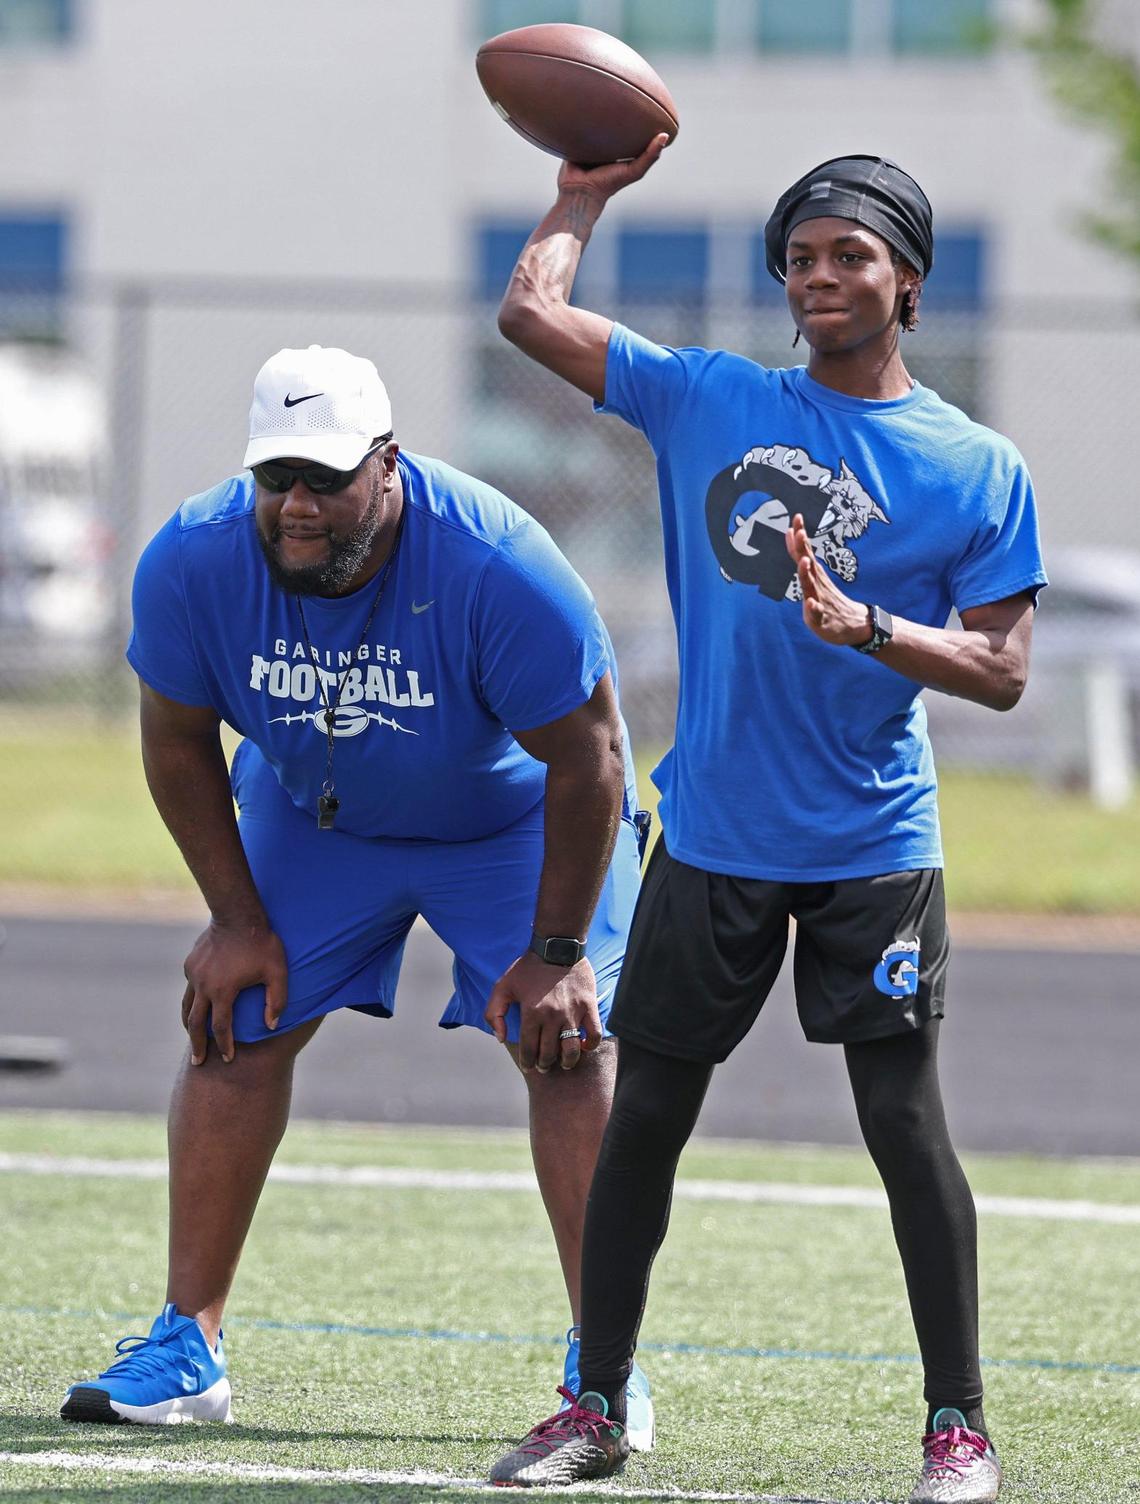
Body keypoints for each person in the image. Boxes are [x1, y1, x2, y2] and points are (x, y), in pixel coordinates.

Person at [487, 149, 1046, 1504]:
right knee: (647, 1120)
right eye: (799, 256)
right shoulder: (710, 399)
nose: (820, 276)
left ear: (906, 281)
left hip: (874, 846)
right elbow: (529, 316)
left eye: (850, 254)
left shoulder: (975, 464)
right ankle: (596, 1405)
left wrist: (871, 626)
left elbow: (1004, 668)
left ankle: (956, 1430)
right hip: (718, 833)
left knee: (906, 1128)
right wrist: (581, 190)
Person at [60, 343, 653, 1446]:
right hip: (322, 808)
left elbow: (593, 760)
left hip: (514, 818)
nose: (296, 505)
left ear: (387, 464)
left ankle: (604, 1368)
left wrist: (561, 948)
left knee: (564, 1039)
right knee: (233, 1020)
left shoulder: (495, 561)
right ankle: (188, 1345)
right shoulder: (191, 560)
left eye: (326, 479)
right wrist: (235, 921)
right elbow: (178, 742)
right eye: (275, 476)